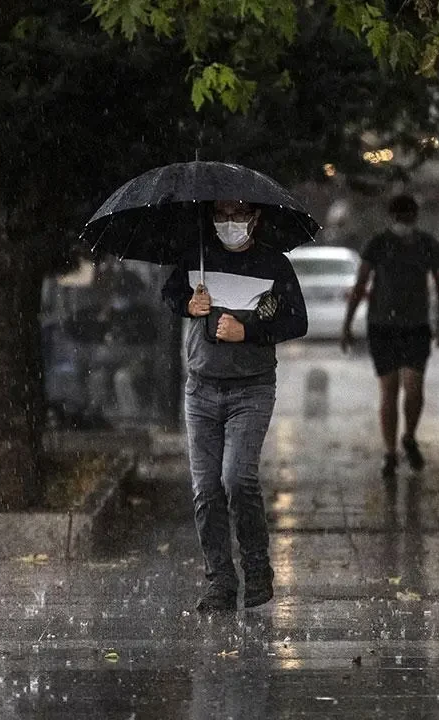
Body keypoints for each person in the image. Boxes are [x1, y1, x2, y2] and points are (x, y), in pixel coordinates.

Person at [161, 199, 308, 613]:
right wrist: (188, 305)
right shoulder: (197, 258)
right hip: (201, 390)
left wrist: (249, 331)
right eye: (221, 216)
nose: (229, 223)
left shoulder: (274, 266)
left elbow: (296, 321)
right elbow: (170, 294)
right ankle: (220, 581)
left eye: (238, 215)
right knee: (206, 489)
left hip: (251, 390)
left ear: (255, 218)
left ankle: (257, 566)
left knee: (237, 478)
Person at [341, 195, 439, 478]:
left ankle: (409, 436)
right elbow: (361, 283)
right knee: (389, 390)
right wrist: (348, 322)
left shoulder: (427, 245)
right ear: (392, 216)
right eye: (400, 214)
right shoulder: (378, 244)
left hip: (416, 326)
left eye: (408, 214)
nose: (404, 220)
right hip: (382, 326)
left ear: (415, 216)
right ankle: (390, 452)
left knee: (414, 388)